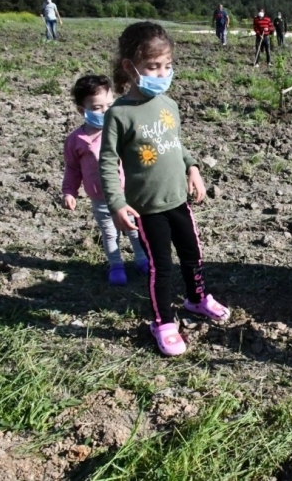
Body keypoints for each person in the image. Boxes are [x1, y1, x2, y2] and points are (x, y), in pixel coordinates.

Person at [100, 22, 230, 357]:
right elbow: (107, 163)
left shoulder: (168, 105)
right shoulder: (119, 114)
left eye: (167, 66)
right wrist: (116, 204)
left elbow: (175, 145)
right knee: (162, 266)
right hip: (147, 207)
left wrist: (193, 168)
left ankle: (197, 299)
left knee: (192, 255)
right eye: (153, 67)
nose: (162, 73)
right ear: (131, 68)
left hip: (178, 200)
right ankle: (163, 321)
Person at [62, 75, 148, 286]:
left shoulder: (121, 130)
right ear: (83, 111)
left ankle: (142, 260)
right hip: (101, 198)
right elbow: (72, 169)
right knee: (110, 234)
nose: (105, 111)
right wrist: (69, 191)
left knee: (135, 229)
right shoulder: (77, 140)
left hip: (127, 194)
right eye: (97, 107)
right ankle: (116, 265)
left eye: (110, 105)